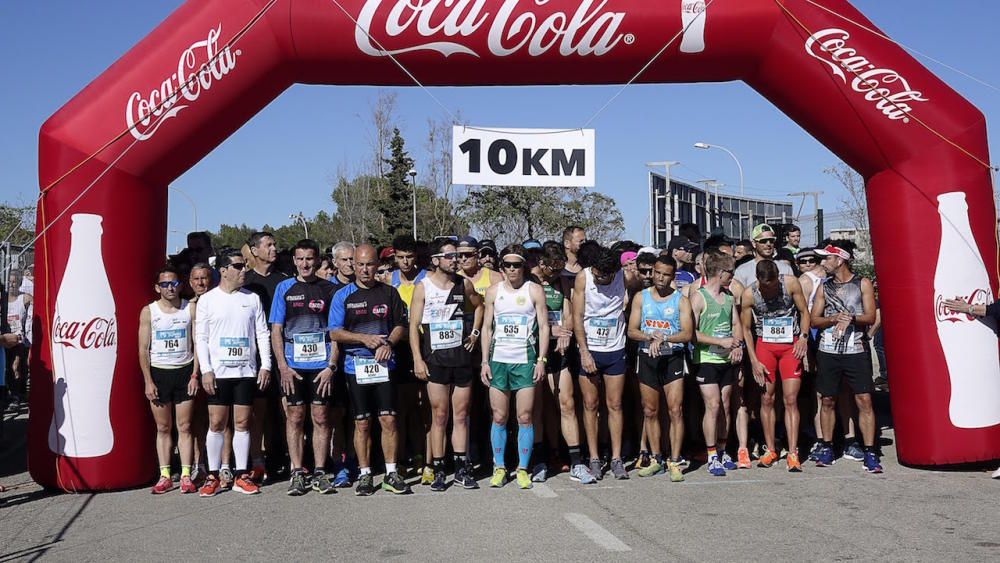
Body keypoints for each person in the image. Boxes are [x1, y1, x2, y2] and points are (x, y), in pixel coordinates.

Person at [329, 244, 412, 496]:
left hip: (385, 365)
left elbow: (400, 325)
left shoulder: (389, 293)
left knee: (388, 419)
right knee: (362, 422)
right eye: (360, 264)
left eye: (370, 264)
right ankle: (365, 474)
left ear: (378, 265)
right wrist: (364, 339)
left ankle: (390, 472)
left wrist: (388, 343)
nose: (365, 270)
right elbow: (334, 332)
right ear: (353, 264)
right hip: (356, 366)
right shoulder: (343, 295)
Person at [194, 250, 271, 497]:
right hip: (218, 372)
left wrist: (266, 365)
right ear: (224, 270)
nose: (243, 270)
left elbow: (262, 333)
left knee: (242, 423)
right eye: (238, 266)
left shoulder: (252, 299)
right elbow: (201, 338)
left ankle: (240, 474)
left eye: (245, 266)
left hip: (245, 371)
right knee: (216, 423)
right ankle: (213, 476)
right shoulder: (207, 300)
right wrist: (205, 370)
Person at [409, 239, 484, 491]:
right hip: (435, 360)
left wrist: (474, 333)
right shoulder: (424, 287)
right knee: (439, 416)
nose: (456, 260)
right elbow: (413, 326)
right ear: (435, 259)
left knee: (461, 416)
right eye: (450, 256)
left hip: (461, 358)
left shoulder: (464, 283)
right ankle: (439, 469)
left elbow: (480, 305)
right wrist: (417, 358)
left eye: (459, 256)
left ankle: (462, 469)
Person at [270, 239, 339, 495]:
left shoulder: (330, 289)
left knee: (321, 417)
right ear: (294, 261)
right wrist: (282, 367)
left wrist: (332, 365)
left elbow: (336, 332)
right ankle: (297, 471)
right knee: (295, 417)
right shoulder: (284, 288)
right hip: (293, 366)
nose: (304, 264)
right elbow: (275, 330)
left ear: (317, 259)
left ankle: (320, 471)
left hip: (321, 365)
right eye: (300, 259)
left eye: (309, 258)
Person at [480, 245, 550, 489]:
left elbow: (544, 326)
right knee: (499, 416)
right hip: (499, 360)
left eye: (516, 265)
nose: (512, 269)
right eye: (507, 265)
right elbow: (487, 328)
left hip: (525, 360)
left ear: (524, 266)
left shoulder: (535, 290)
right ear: (502, 266)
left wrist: (542, 360)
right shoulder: (493, 291)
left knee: (524, 416)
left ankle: (522, 468)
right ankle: (499, 467)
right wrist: (484, 362)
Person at [810, 241, 882, 473]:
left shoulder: (862, 283)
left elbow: (871, 316)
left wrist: (850, 317)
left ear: (839, 260)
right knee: (827, 399)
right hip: (829, 349)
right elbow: (814, 320)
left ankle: (870, 451)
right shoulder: (823, 286)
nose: (822, 263)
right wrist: (833, 319)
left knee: (864, 400)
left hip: (855, 349)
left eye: (826, 259)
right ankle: (827, 447)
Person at [531, 242, 595, 484]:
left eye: (560, 270)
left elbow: (568, 314)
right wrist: (547, 330)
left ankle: (577, 462)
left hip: (559, 351)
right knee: (538, 408)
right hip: (534, 350)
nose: (557, 274)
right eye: (553, 270)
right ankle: (539, 460)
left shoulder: (563, 282)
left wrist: (565, 333)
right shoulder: (530, 281)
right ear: (541, 263)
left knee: (566, 404)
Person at [740, 260, 811, 472]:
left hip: (790, 345)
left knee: (790, 399)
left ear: (777, 277)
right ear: (757, 279)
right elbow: (745, 328)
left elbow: (804, 312)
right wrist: (753, 360)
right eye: (764, 285)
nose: (768, 289)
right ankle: (770, 448)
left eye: (771, 285)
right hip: (765, 346)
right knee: (767, 398)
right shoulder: (749, 294)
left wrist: (803, 338)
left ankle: (792, 451)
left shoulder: (790, 284)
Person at [627, 256, 693, 481]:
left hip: (672, 357)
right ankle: (656, 458)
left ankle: (674, 459)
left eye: (666, 274)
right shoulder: (640, 298)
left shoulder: (680, 301)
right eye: (657, 273)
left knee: (675, 410)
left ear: (673, 276)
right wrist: (649, 336)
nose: (661, 278)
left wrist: (666, 338)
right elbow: (631, 331)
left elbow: (687, 334)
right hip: (647, 357)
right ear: (652, 273)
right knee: (650, 411)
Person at [574, 247, 637, 480]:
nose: (601, 279)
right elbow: (577, 317)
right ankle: (593, 457)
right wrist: (584, 352)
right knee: (590, 404)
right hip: (590, 348)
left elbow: (639, 292)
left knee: (615, 404)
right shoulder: (584, 278)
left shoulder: (624, 276)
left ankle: (617, 458)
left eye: (605, 276)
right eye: (598, 274)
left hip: (615, 348)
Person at [138, 267, 199, 494]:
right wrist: (148, 380)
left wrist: (195, 375)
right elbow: (143, 349)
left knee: (185, 426)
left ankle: (185, 474)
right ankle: (164, 475)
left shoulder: (189, 308)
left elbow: (197, 344)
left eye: (173, 283)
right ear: (157, 288)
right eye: (164, 284)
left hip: (184, 371)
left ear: (180, 285)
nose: (170, 288)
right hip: (159, 373)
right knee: (163, 427)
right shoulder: (149, 311)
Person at [690, 251, 744, 476]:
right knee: (712, 406)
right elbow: (690, 333)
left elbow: (736, 323)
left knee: (725, 404)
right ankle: (711, 454)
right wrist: (719, 341)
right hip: (706, 359)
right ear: (720, 272)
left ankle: (723, 449)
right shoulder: (698, 297)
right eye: (731, 272)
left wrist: (737, 345)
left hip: (726, 359)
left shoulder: (729, 296)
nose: (733, 276)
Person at [241, 232, 289, 483]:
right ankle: (258, 462)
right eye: (268, 245)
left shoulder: (285, 281)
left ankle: (287, 459)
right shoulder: (245, 283)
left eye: (274, 244)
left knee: (286, 411)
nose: (273, 248)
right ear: (254, 250)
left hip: (283, 355)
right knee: (258, 413)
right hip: (255, 358)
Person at [389, 235, 432, 484]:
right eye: (401, 257)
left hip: (425, 347)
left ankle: (423, 458)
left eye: (410, 257)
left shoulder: (427, 278)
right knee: (402, 408)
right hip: (400, 350)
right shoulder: (389, 279)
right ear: (395, 257)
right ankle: (403, 457)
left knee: (424, 408)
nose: (405, 262)